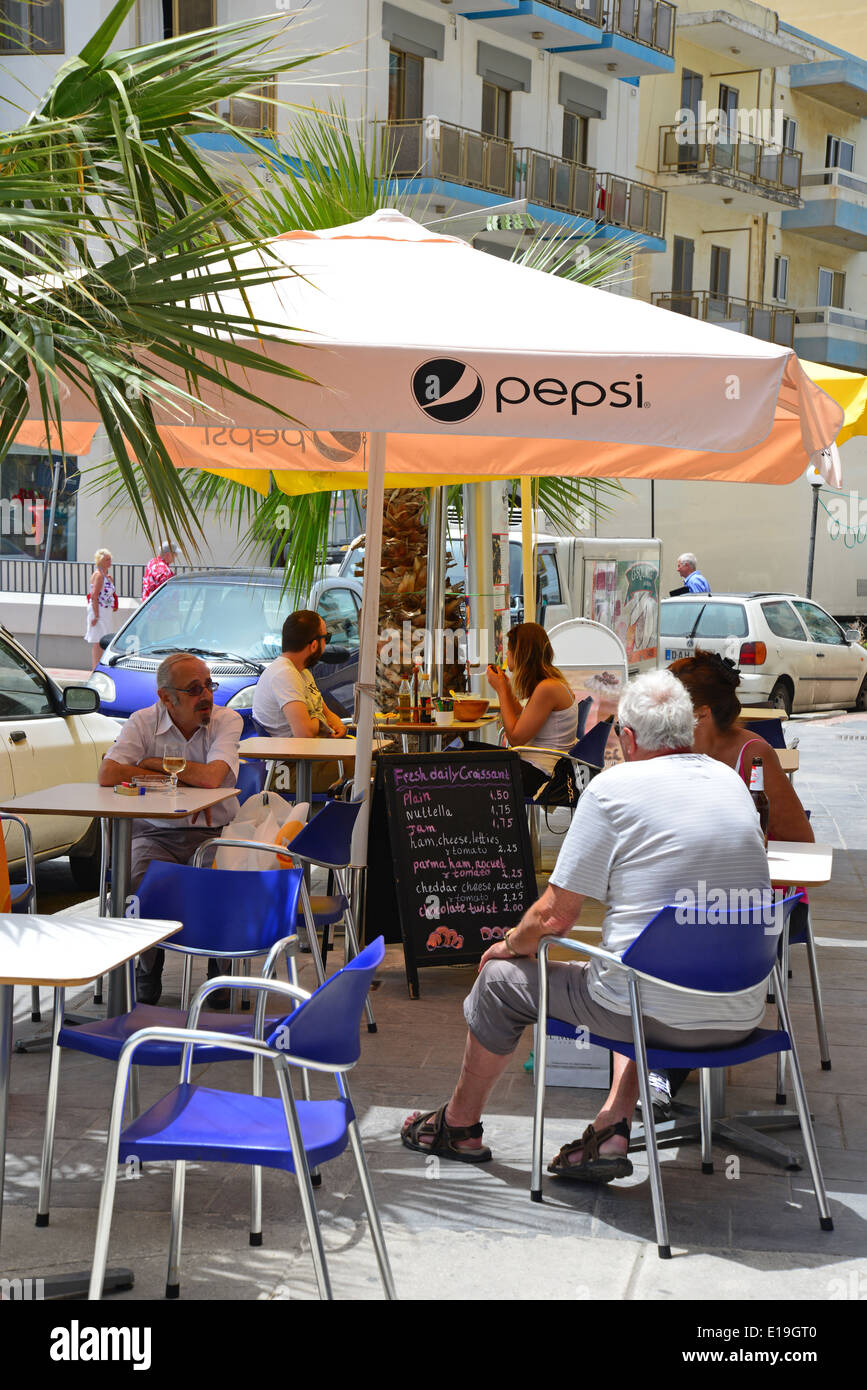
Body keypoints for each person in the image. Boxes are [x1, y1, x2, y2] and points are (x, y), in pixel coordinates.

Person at [401, 669, 771, 1180]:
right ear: (687, 730)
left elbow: (554, 916)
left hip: (656, 1014)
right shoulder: (732, 782)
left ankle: (458, 1127)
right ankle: (612, 1127)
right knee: (636, 967)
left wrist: (510, 943)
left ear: (630, 737)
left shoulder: (613, 788)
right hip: (743, 1009)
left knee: (500, 981)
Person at [99, 652, 242, 1004]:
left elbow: (211, 780)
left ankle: (219, 966)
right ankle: (148, 967)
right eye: (195, 689)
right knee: (137, 879)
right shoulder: (142, 721)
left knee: (225, 876)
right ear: (166, 698)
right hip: (154, 833)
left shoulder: (227, 720)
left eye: (209, 684)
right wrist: (173, 774)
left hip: (214, 833)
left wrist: (153, 763)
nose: (206, 695)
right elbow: (107, 773)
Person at [669, 650, 812, 843]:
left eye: (668, 708)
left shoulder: (753, 755)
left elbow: (800, 840)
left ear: (701, 713)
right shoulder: (664, 749)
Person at [485, 623, 579, 796]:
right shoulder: (550, 683)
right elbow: (523, 718)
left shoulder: (547, 688)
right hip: (541, 766)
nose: (506, 653)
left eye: (509, 649)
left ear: (520, 653)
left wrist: (501, 691)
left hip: (543, 773)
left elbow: (515, 738)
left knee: (466, 767)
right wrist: (506, 688)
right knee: (468, 754)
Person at [253, 610, 347, 740]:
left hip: (318, 752)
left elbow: (326, 713)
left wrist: (336, 724)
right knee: (366, 758)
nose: (326, 644)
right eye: (326, 638)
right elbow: (305, 733)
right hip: (299, 758)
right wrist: (320, 721)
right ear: (314, 645)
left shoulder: (302, 673)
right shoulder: (285, 675)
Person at [85, 548, 116, 670]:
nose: (110, 561)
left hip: (105, 611)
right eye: (107, 559)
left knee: (103, 639)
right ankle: (95, 668)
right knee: (98, 641)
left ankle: (99, 666)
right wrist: (96, 615)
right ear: (101, 561)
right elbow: (94, 595)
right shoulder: (98, 575)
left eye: (110, 559)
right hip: (100, 611)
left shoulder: (105, 576)